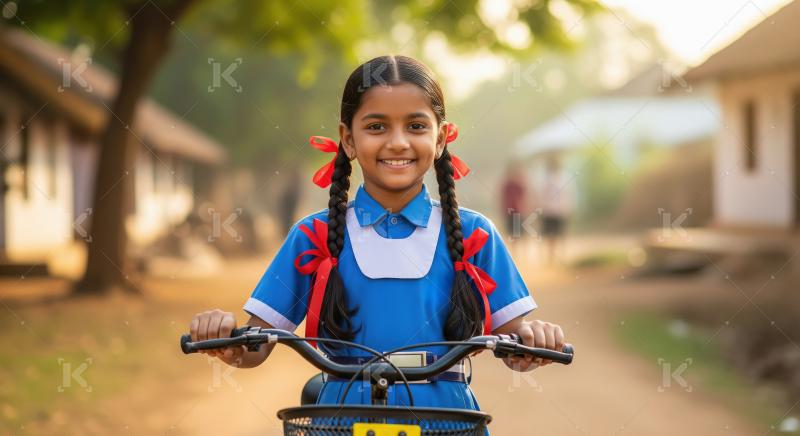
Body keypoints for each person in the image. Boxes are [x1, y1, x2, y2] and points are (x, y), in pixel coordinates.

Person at [189, 56, 566, 411]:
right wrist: (223, 338)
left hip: (447, 420)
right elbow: (255, 347)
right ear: (348, 139)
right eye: (376, 126)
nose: (398, 142)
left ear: (440, 139)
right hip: (341, 417)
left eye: (416, 126)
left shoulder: (475, 235)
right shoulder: (313, 236)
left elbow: (516, 347)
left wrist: (534, 339)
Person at [538, 156, 574, 265]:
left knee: (558, 235)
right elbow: (542, 195)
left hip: (557, 210)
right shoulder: (547, 179)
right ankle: (552, 257)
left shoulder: (563, 178)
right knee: (552, 235)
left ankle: (558, 256)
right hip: (550, 210)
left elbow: (567, 195)